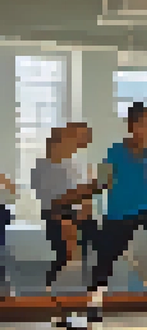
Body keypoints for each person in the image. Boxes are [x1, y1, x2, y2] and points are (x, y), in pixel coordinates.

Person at [63, 103, 147, 330]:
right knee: (105, 258)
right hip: (119, 212)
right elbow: (102, 181)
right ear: (133, 126)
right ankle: (93, 304)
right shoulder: (115, 151)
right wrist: (83, 201)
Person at [34, 123, 96, 294]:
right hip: (58, 214)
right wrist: (61, 219)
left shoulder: (76, 164)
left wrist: (86, 207)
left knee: (89, 254)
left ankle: (89, 295)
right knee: (63, 255)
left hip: (78, 214)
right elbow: (46, 196)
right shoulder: (43, 166)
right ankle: (52, 294)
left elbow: (84, 190)